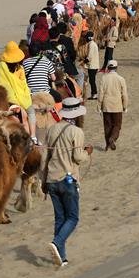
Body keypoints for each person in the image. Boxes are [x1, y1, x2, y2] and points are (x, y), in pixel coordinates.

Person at [44, 98, 93, 267]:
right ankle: (57, 243)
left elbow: (47, 157)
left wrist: (43, 180)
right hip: (68, 178)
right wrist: (88, 152)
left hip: (51, 178)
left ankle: (61, 258)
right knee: (72, 217)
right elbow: (78, 157)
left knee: (60, 218)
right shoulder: (76, 132)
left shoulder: (51, 130)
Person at [0, 41, 39, 143]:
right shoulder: (20, 67)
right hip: (21, 99)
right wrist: (25, 98)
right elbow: (24, 84)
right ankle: (33, 136)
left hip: (5, 98)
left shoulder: (0, 66)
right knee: (30, 112)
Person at [97, 60, 129, 151]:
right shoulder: (121, 79)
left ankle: (107, 145)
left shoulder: (104, 78)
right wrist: (125, 106)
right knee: (117, 125)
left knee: (107, 125)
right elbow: (124, 94)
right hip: (117, 105)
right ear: (116, 68)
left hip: (106, 105)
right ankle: (113, 138)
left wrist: (99, 106)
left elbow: (101, 94)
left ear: (108, 68)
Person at [84, 31, 100, 100]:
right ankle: (94, 93)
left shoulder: (91, 45)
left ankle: (94, 94)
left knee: (92, 81)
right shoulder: (93, 44)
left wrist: (84, 61)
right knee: (92, 80)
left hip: (93, 66)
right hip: (94, 65)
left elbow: (89, 56)